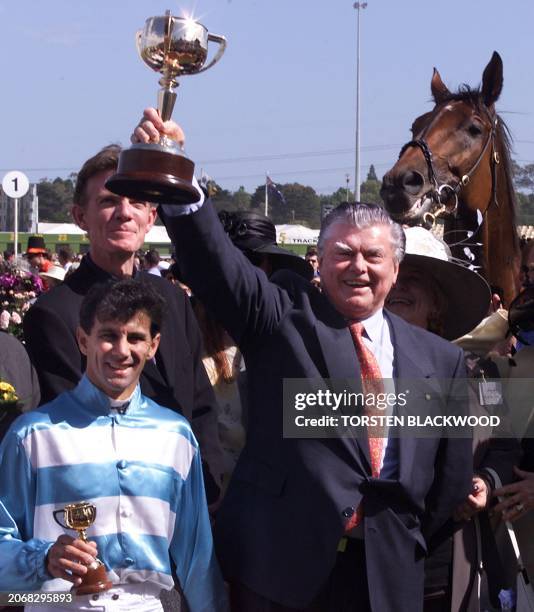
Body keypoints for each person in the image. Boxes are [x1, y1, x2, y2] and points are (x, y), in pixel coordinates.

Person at [130, 108, 473, 612]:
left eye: (373, 257)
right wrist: (178, 176)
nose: (358, 266)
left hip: (387, 579)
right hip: (280, 575)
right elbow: (219, 268)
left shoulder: (441, 361)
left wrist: (403, 540)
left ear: (395, 270)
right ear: (319, 262)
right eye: (342, 254)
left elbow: (447, 484)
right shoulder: (283, 319)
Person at [0, 279, 227, 612]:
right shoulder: (32, 436)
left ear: (153, 346)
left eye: (135, 337)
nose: (122, 350)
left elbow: (197, 557)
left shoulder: (176, 436)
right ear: (83, 340)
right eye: (108, 336)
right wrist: (44, 558)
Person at [22, 145, 223, 504]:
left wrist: (211, 494)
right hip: (115, 506)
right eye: (109, 201)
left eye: (137, 203)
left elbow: (202, 406)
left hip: (194, 501)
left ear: (152, 217)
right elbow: (77, 428)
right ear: (80, 217)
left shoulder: (174, 300)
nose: (124, 214)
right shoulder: (54, 314)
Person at [386, 226, 521, 611]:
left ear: (438, 306)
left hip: (450, 570)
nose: (398, 286)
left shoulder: (482, 374)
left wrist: (483, 482)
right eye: (393, 274)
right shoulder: (352, 367)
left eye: (412, 278)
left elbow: (505, 445)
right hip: (372, 566)